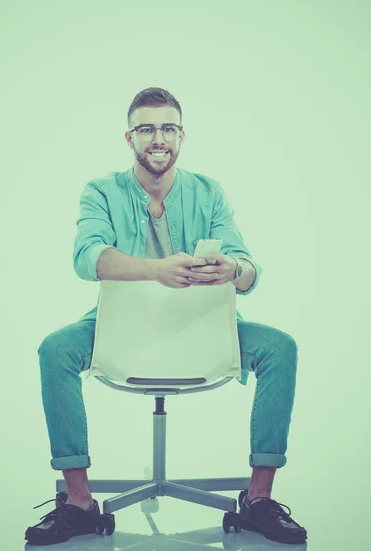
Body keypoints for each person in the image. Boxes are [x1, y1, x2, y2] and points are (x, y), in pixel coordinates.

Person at [25, 87, 307, 546]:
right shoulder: (101, 191)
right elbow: (87, 258)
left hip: (201, 327)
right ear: (129, 137)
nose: (159, 138)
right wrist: (157, 270)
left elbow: (248, 267)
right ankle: (78, 504)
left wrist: (233, 270)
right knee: (55, 348)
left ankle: (258, 500)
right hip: (120, 328)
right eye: (147, 128)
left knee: (280, 347)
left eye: (168, 127)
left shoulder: (208, 192)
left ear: (181, 135)